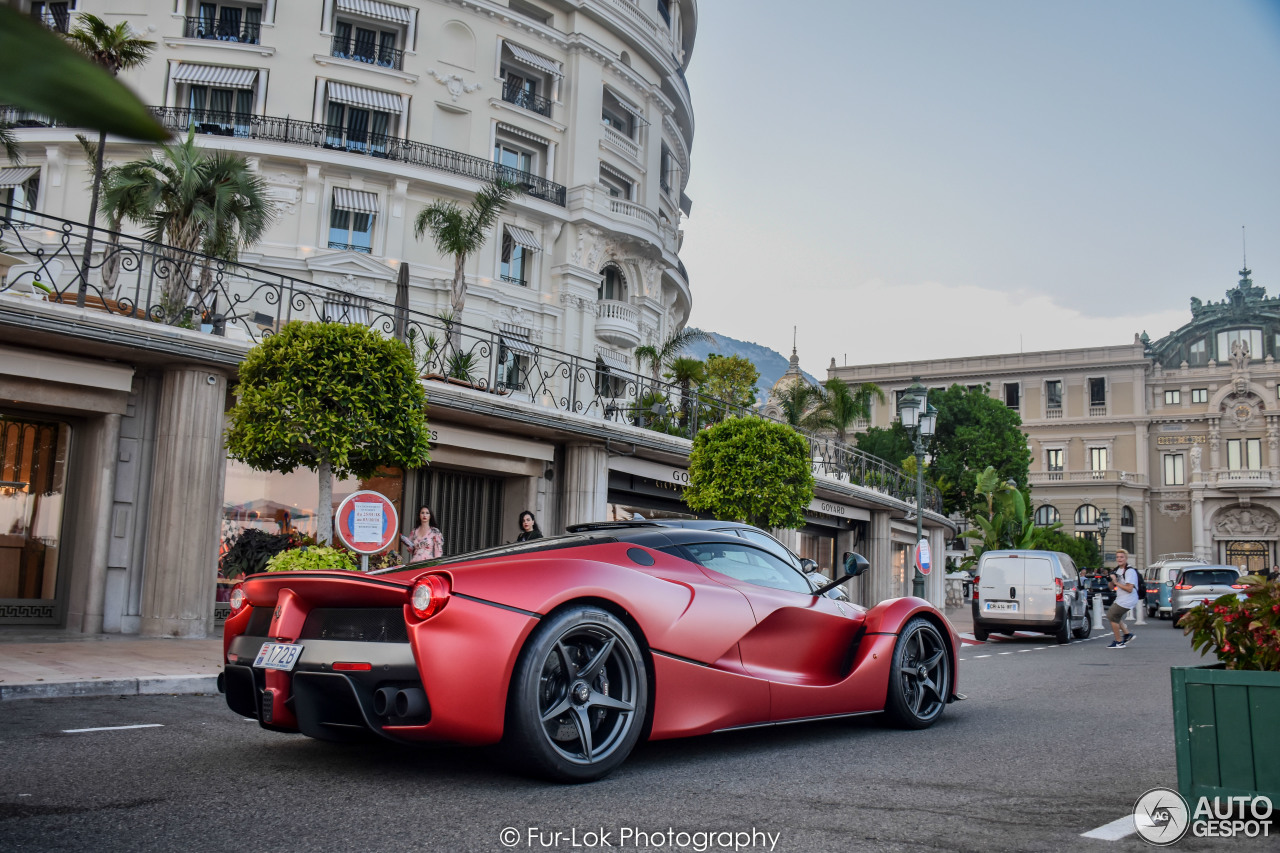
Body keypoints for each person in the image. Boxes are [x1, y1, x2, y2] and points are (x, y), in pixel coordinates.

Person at [1107, 548, 1140, 648]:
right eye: (1117, 557)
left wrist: (1116, 582)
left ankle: (1119, 641)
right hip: (1121, 598)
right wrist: (1111, 580)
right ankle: (1127, 634)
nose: (1119, 559)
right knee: (1114, 616)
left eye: (1121, 557)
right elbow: (1111, 587)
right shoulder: (1117, 570)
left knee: (1112, 615)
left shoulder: (1130, 571)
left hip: (1129, 598)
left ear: (1126, 558)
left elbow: (1129, 589)